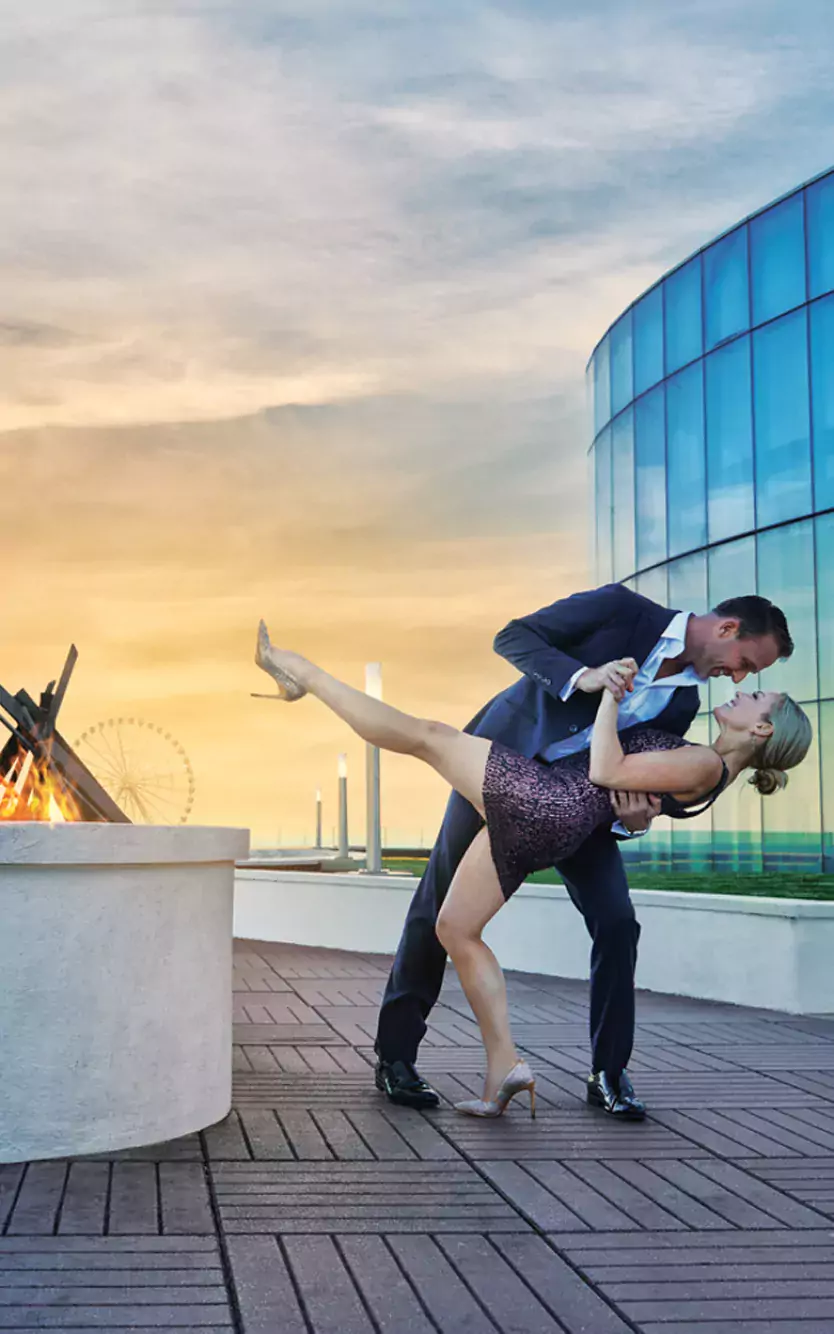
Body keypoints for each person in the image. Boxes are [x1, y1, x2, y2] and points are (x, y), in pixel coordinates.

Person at [253, 600, 809, 1119]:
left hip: (559, 805)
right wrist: (584, 678)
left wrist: (634, 816)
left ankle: (608, 1073)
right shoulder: (625, 611)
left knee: (616, 922)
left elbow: (636, 779)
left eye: (749, 680)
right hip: (515, 758)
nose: (738, 678)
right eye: (744, 664)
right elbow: (514, 637)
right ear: (728, 630)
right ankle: (400, 1058)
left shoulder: (689, 705)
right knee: (440, 916)